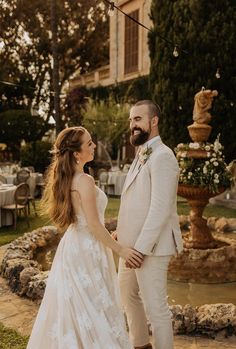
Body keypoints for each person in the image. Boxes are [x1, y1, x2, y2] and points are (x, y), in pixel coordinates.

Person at [27, 126, 143, 349]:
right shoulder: (84, 180)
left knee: (76, 306)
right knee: (93, 306)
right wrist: (121, 249)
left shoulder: (69, 178)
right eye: (89, 143)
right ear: (76, 153)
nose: (94, 146)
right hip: (88, 249)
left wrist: (109, 235)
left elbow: (87, 221)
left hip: (74, 246)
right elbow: (93, 225)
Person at [116, 100, 183, 349]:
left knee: (157, 310)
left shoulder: (164, 156)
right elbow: (136, 202)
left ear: (153, 121)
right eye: (131, 120)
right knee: (128, 296)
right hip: (129, 247)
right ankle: (141, 345)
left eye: (137, 119)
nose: (132, 125)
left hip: (150, 248)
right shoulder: (141, 153)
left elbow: (160, 210)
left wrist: (141, 250)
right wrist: (121, 233)